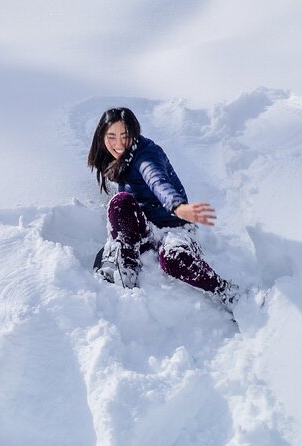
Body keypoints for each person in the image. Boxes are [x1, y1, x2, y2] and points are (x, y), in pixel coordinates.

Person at [88, 107, 239, 310]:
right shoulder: (117, 157)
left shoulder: (146, 155)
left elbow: (157, 181)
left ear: (134, 132)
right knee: (121, 202)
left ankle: (225, 291)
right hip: (147, 226)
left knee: (173, 259)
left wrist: (177, 206)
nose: (118, 144)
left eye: (124, 136)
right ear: (102, 137)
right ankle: (126, 267)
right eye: (111, 136)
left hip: (174, 228)